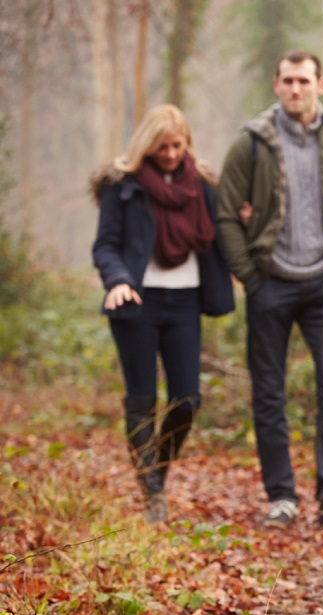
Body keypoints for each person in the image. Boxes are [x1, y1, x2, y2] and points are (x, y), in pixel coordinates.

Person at [216, 50, 323, 531]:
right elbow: (226, 214)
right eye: (287, 81)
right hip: (270, 285)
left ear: (320, 85)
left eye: (303, 81)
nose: (295, 89)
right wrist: (250, 275)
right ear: (276, 85)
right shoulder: (250, 143)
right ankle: (282, 498)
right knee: (269, 393)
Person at [91, 104, 236, 524]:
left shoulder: (202, 185)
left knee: (187, 400)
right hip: (136, 301)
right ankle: (152, 494)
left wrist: (242, 223)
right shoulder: (124, 187)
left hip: (186, 300)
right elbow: (105, 245)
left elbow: (220, 234)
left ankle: (156, 471)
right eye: (163, 147)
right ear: (147, 145)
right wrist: (117, 279)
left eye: (177, 145)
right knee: (142, 399)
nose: (171, 154)